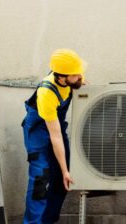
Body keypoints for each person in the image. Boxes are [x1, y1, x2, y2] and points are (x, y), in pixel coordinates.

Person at [21, 49, 86, 223]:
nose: (80, 76)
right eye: (76, 74)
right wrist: (64, 169)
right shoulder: (46, 93)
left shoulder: (70, 76)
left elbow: (57, 133)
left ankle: (48, 221)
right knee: (40, 180)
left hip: (55, 127)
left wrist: (65, 172)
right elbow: (55, 136)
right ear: (62, 76)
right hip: (38, 133)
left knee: (62, 181)